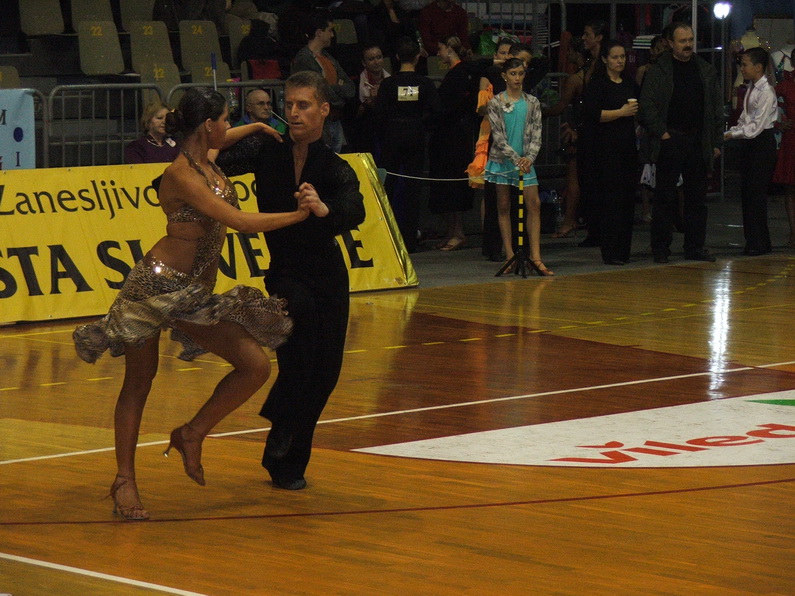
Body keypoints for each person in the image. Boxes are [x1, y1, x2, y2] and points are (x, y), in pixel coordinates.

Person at [73, 87, 320, 520]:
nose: (227, 127)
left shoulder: (208, 156)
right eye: (224, 120)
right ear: (207, 125)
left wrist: (257, 126)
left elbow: (223, 139)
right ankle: (124, 480)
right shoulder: (182, 175)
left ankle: (191, 433)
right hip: (154, 289)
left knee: (255, 366)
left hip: (193, 294)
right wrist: (299, 216)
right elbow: (240, 222)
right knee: (139, 382)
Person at [216, 71, 366, 490]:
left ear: (324, 109)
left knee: (324, 374)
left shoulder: (333, 166)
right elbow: (209, 155)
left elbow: (354, 207)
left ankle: (287, 456)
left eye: (304, 105)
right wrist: (254, 127)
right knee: (298, 339)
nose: (294, 112)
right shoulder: (267, 149)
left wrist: (323, 208)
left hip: (328, 277)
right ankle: (281, 433)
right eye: (289, 104)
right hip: (286, 275)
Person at [638, 22, 723, 263]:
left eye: (690, 40)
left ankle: (695, 246)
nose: (688, 45)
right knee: (665, 196)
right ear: (671, 43)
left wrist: (716, 142)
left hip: (698, 140)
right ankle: (660, 247)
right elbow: (646, 106)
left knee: (697, 197)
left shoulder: (705, 70)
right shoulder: (659, 70)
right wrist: (663, 133)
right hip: (671, 138)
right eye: (683, 41)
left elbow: (716, 108)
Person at [484, 58, 552, 276]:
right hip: (503, 161)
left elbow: (537, 133)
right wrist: (516, 159)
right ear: (504, 76)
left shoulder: (532, 102)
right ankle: (509, 255)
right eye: (513, 73)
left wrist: (529, 158)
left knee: (534, 204)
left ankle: (536, 257)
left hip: (525, 163)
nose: (517, 78)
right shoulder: (495, 103)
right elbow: (498, 137)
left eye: (521, 73)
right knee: (504, 205)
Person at [374, 36, 441, 253]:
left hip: (392, 136)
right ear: (418, 57)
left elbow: (379, 114)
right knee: (413, 189)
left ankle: (384, 238)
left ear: (396, 57)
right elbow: (436, 111)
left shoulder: (388, 84)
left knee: (387, 186)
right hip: (415, 136)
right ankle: (410, 241)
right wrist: (422, 126)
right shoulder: (425, 83)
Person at [581, 40, 639, 265]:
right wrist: (621, 112)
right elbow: (594, 114)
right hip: (605, 149)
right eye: (615, 57)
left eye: (622, 57)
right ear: (605, 59)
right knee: (610, 200)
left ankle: (624, 250)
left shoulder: (629, 83)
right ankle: (610, 250)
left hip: (627, 147)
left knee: (626, 199)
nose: (619, 61)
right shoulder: (598, 84)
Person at [724, 47, 778, 256]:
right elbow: (745, 120)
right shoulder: (751, 89)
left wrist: (733, 135)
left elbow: (756, 127)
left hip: (762, 144)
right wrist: (731, 131)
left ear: (758, 67)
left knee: (756, 195)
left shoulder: (766, 92)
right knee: (747, 193)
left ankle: (760, 242)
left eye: (745, 64)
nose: (742, 68)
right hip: (750, 144)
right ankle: (753, 240)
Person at [429, 34, 477, 251]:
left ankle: (458, 232)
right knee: (447, 184)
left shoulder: (459, 74)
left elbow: (449, 107)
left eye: (440, 49)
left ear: (449, 49)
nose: (438, 53)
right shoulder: (456, 73)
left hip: (455, 137)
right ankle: (451, 231)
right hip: (449, 135)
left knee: (454, 184)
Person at [541, 37, 588, 238]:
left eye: (570, 51)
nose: (567, 54)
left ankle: (569, 220)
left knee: (573, 178)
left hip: (577, 131)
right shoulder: (591, 74)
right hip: (586, 129)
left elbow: (560, 106)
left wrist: (539, 111)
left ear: (578, 53)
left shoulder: (576, 79)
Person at [291, 10, 356, 152]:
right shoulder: (304, 59)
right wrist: (338, 95)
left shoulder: (328, 58)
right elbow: (319, 92)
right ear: (319, 33)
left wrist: (332, 88)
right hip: (318, 124)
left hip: (334, 121)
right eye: (330, 30)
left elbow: (350, 87)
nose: (332, 35)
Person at [577, 19, 609, 248]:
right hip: (587, 127)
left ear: (598, 37)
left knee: (598, 181)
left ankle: (601, 229)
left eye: (587, 34)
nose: (583, 38)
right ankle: (594, 228)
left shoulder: (603, 65)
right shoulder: (589, 61)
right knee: (587, 181)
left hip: (600, 130)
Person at [773, 48, 795, 247]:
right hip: (791, 139)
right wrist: (778, 123)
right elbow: (765, 103)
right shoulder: (785, 85)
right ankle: (793, 232)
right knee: (790, 189)